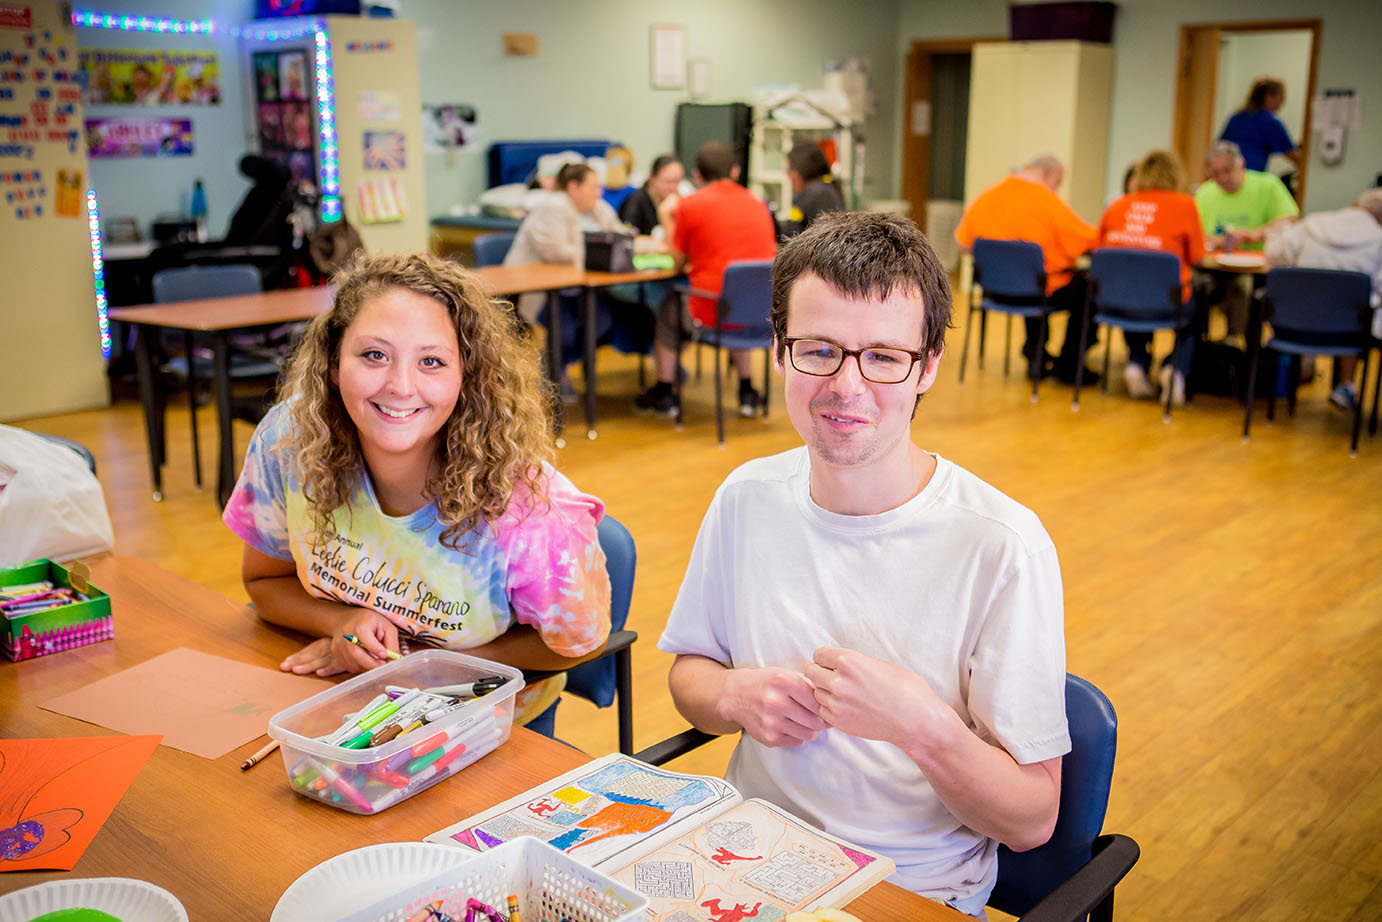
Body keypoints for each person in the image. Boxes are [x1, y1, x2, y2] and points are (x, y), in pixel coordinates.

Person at [660, 212, 1069, 916]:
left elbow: (1032, 819)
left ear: (928, 366)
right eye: (819, 349)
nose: (848, 386)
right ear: (780, 351)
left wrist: (921, 724)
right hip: (750, 862)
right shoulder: (748, 497)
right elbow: (691, 673)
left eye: (883, 357)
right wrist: (734, 697)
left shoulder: (1002, 545)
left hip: (907, 888)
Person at [222, 252, 612, 738]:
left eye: (431, 361)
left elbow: (578, 645)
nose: (400, 386)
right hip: (344, 705)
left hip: (490, 727)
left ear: (468, 375)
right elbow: (264, 582)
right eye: (374, 355)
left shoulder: (529, 508)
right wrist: (340, 620)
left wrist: (420, 664)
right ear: (333, 362)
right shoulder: (292, 440)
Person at [633, 141, 777, 418]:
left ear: (697, 175)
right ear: (734, 172)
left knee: (667, 310)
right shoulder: (758, 204)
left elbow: (677, 261)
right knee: (735, 301)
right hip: (757, 311)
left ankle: (665, 392)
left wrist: (665, 216)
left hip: (711, 310)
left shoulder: (691, 205)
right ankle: (747, 389)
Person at [954, 154, 1100, 383]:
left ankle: (1036, 354)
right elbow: (1088, 241)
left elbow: (963, 244)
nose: (1056, 190)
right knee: (1085, 285)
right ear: (1048, 175)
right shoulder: (1047, 201)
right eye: (1058, 184)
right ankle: (1070, 365)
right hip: (1039, 291)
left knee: (1030, 277)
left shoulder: (988, 196)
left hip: (995, 290)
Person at [1097, 149, 1206, 406]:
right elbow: (1199, 256)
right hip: (1168, 303)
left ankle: (1136, 362)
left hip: (1117, 300)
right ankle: (1175, 368)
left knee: (1133, 291)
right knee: (1198, 307)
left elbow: (1100, 250)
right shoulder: (1185, 205)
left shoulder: (1117, 205)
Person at [505, 162, 626, 389]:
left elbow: (618, 236)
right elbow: (554, 251)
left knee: (602, 323)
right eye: (592, 187)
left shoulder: (597, 207)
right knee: (566, 332)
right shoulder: (552, 207)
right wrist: (597, 252)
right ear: (573, 187)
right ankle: (554, 372)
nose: (598, 192)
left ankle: (557, 367)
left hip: (579, 287)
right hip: (542, 290)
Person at [1265, 188, 1382, 412]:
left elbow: (1273, 253)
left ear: (1356, 204)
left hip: (1294, 327)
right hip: (1349, 334)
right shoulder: (1378, 240)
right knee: (1358, 308)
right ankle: (1346, 386)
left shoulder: (1313, 225)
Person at [1194, 140, 1299, 342]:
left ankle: (1235, 341)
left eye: (1227, 170)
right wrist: (1216, 241)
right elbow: (1194, 230)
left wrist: (1257, 234)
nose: (1222, 178)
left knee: (1242, 286)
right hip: (1216, 266)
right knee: (1197, 285)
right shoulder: (1204, 193)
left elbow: (1291, 219)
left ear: (1240, 165)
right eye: (1215, 174)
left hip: (1259, 267)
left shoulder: (1268, 185)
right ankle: (1197, 348)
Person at [1218, 78, 1301, 174]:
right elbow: (1292, 154)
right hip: (1248, 175)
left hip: (1223, 174)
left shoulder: (1236, 117)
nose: (1283, 102)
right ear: (1268, 97)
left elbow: (1219, 147)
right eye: (1281, 97)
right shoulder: (1269, 121)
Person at [783, 140, 845, 236]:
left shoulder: (819, 193)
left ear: (799, 171)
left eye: (789, 170)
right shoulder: (819, 190)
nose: (788, 176)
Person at [618, 153, 684, 236]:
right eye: (668, 182)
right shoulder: (635, 202)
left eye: (677, 181)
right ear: (652, 179)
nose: (673, 188)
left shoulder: (678, 200)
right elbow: (627, 237)